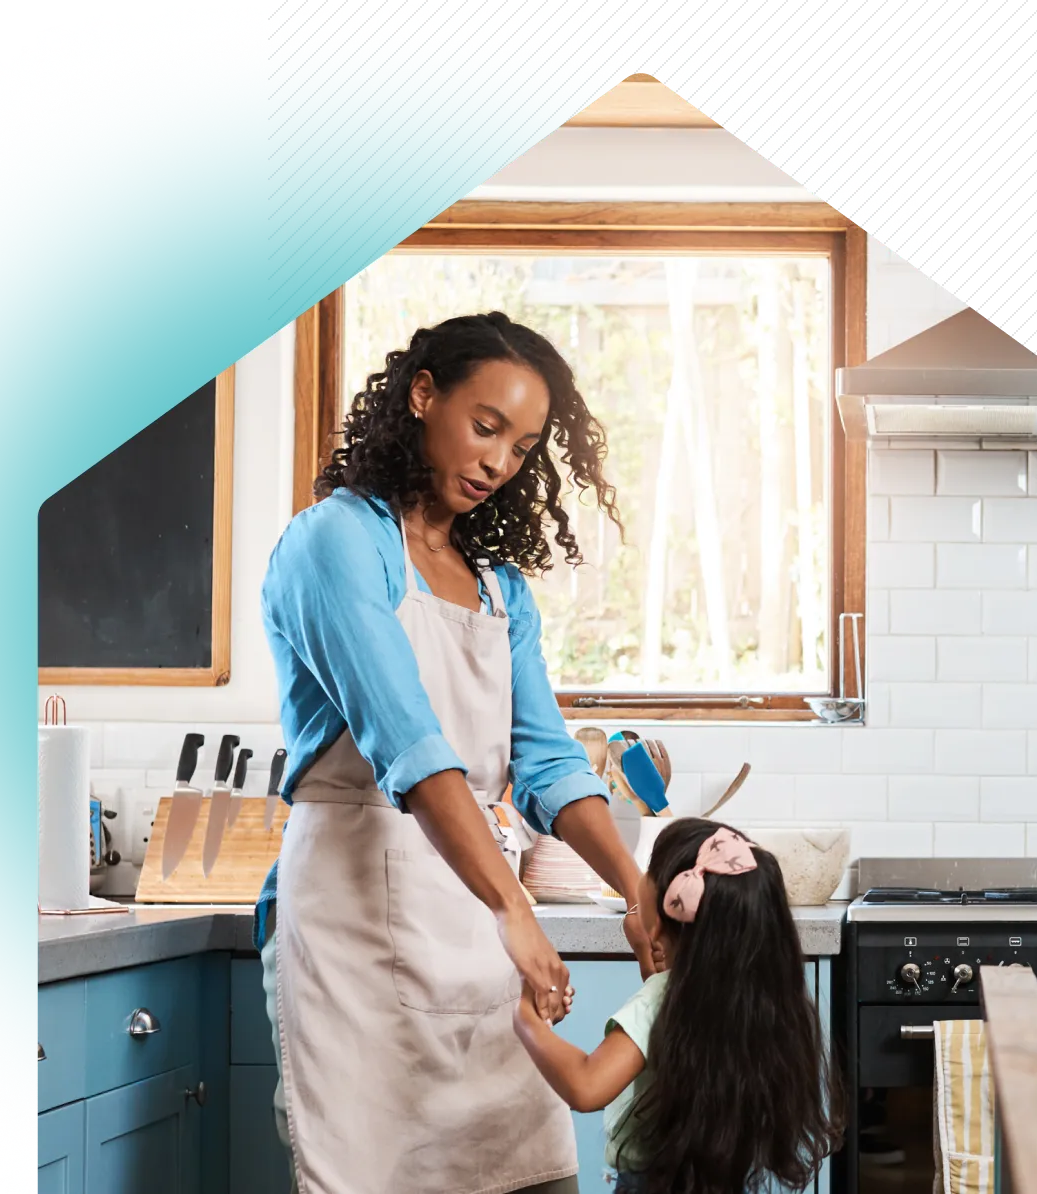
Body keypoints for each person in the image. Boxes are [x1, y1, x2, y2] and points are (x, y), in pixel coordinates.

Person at [252, 312, 660, 1194]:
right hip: (354, 923)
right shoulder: (335, 542)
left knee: (523, 1173)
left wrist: (638, 891)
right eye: (485, 427)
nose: (498, 463)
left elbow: (547, 763)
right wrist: (515, 908)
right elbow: (411, 745)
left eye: (521, 447)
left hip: (476, 922)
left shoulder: (500, 588)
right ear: (422, 394)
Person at [512, 818, 844, 1194]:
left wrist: (526, 1019)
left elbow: (586, 1086)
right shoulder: (759, 994)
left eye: (652, 867)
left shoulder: (661, 997)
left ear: (666, 908)